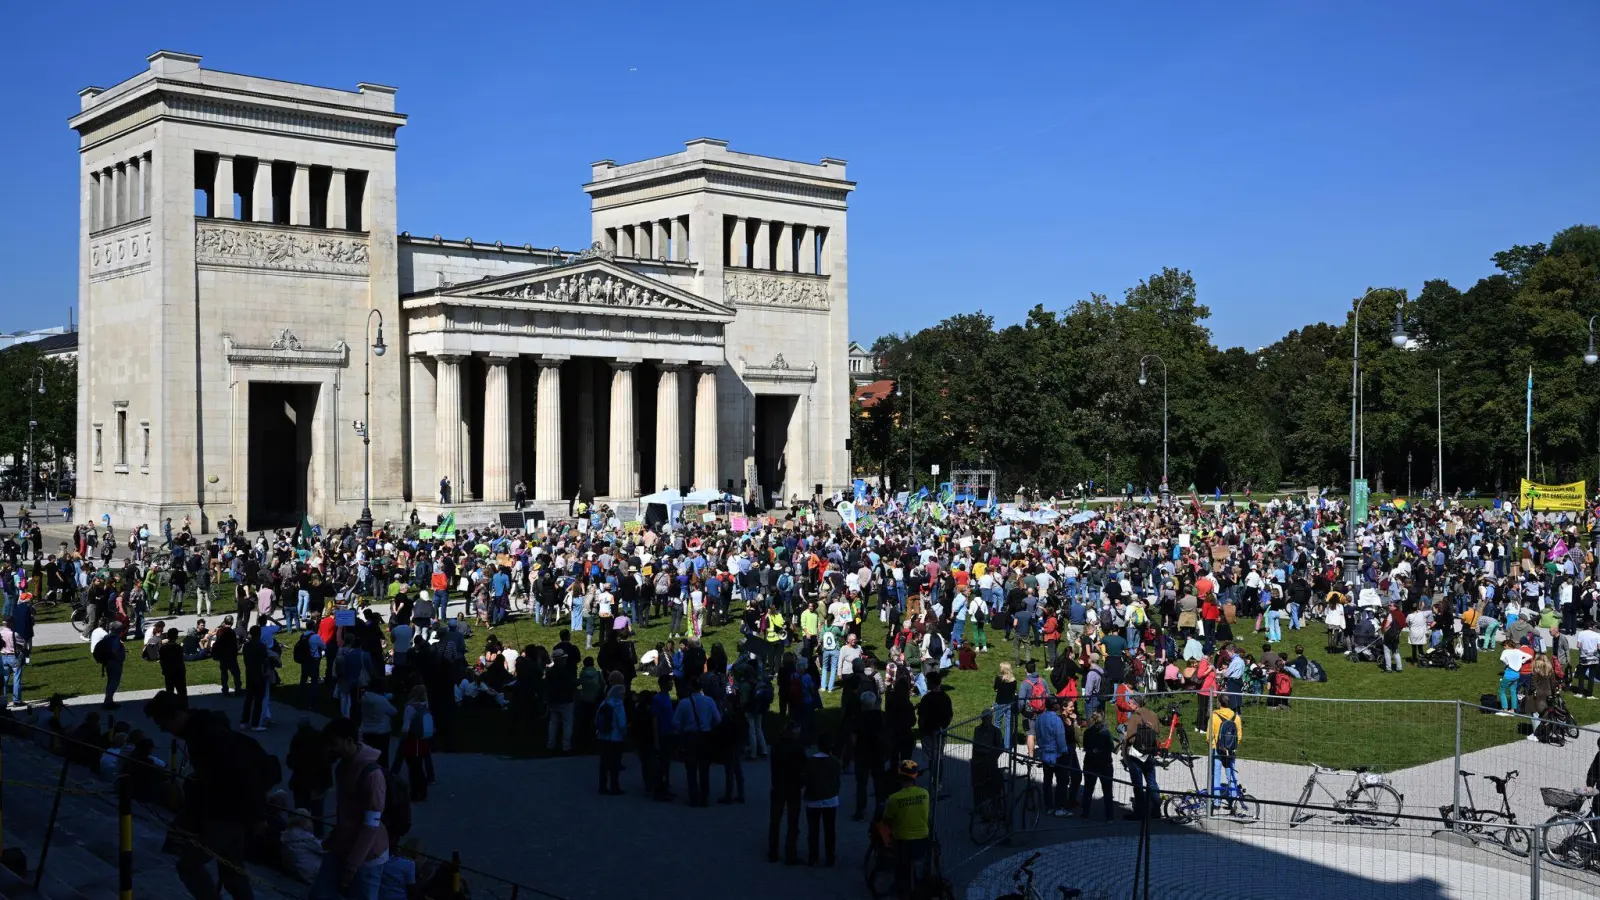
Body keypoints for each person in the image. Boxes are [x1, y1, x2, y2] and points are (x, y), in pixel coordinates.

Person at [145, 690, 269, 900]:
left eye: (164, 724)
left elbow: (241, 773)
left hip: (226, 811)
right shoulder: (203, 730)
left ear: (175, 715)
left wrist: (258, 814)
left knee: (189, 866)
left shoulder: (208, 736)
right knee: (232, 872)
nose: (164, 730)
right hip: (228, 809)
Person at [310, 717, 390, 900]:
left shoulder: (372, 776)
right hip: (342, 847)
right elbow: (346, 811)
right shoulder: (343, 767)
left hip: (368, 856)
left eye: (334, 744)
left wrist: (352, 865)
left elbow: (371, 826)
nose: (330, 749)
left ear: (350, 741)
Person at [882, 759, 930, 898]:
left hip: (903, 839)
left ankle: (901, 887)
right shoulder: (925, 793)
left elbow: (886, 820)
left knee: (900, 866)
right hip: (922, 838)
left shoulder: (894, 798)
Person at [672, 676, 721, 807]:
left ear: (690, 687)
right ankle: (704, 797)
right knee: (704, 768)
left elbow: (675, 722)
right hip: (705, 736)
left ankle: (693, 797)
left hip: (690, 737)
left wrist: (683, 730)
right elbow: (718, 719)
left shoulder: (684, 703)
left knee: (691, 768)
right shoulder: (709, 701)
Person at [768, 722, 806, 864]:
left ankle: (773, 852)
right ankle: (790, 854)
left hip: (778, 786)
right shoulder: (798, 749)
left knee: (775, 821)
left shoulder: (776, 748)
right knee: (793, 821)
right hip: (793, 788)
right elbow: (803, 769)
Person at [804, 733, 841, 866]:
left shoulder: (810, 761)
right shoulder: (835, 762)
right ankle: (830, 857)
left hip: (813, 799)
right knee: (830, 829)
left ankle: (813, 857)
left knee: (813, 830)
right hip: (830, 799)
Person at [595, 673, 628, 795]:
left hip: (603, 737)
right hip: (615, 739)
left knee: (604, 763)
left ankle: (602, 786)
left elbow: (597, 719)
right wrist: (625, 734)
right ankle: (615, 787)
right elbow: (622, 724)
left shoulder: (604, 703)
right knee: (615, 763)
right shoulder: (619, 706)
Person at [1208, 701, 1243, 807]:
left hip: (1217, 749)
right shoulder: (1236, 717)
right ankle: (1233, 800)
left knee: (1216, 775)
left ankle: (1216, 801)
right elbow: (1239, 735)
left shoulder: (1214, 716)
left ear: (1219, 703)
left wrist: (1213, 745)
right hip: (1231, 750)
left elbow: (1209, 736)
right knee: (1231, 774)